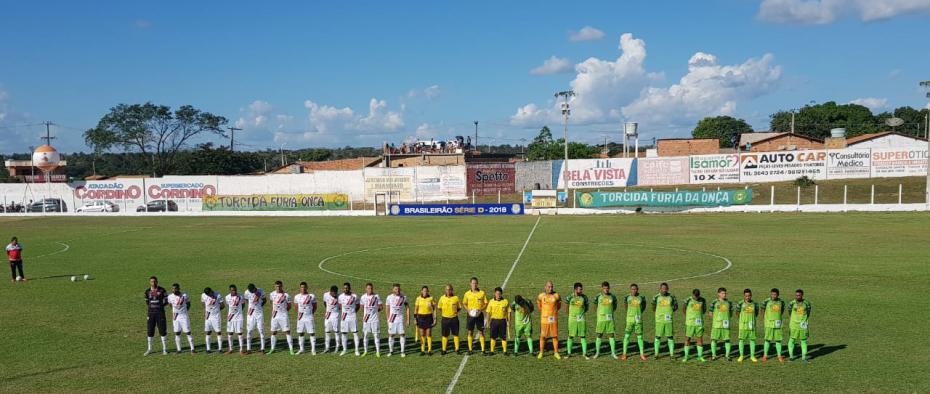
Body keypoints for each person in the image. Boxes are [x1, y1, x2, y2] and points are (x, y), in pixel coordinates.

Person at [462, 277, 488, 354]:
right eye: (473, 283)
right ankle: (470, 349)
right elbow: (464, 303)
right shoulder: (467, 294)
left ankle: (483, 350)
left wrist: (480, 310)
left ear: (477, 284)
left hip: (479, 315)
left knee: (481, 332)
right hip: (470, 316)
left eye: (476, 283)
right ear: (470, 284)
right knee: (470, 332)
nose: (474, 285)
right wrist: (468, 310)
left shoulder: (482, 293)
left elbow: (486, 303)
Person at [622, 283, 648, 361]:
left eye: (635, 289)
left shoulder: (642, 297)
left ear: (637, 289)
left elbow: (644, 306)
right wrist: (630, 313)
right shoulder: (627, 297)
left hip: (638, 320)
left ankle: (642, 354)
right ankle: (624, 354)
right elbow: (625, 306)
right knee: (627, 336)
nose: (634, 291)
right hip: (629, 320)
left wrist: (639, 312)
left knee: (639, 337)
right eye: (632, 289)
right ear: (630, 290)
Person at [166, 284, 195, 354]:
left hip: (183, 316)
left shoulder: (184, 295)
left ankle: (193, 349)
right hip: (175, 316)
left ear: (179, 289)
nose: (174, 290)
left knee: (188, 332)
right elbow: (170, 304)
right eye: (173, 289)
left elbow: (188, 304)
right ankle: (179, 350)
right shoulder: (170, 296)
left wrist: (185, 311)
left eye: (175, 289)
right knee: (177, 332)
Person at [652, 282, 678, 359]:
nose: (664, 290)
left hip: (668, 321)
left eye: (665, 289)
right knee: (657, 336)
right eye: (662, 289)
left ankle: (672, 354)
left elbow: (676, 306)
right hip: (659, 320)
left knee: (670, 336)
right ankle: (656, 354)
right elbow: (653, 307)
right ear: (660, 289)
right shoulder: (656, 297)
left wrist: (669, 311)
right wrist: (659, 314)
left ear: (667, 289)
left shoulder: (672, 297)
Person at [593, 281, 619, 359]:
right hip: (601, 319)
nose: (606, 290)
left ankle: (613, 353)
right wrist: (599, 314)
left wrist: (610, 312)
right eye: (604, 288)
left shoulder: (612, 296)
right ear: (602, 288)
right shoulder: (598, 296)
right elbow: (595, 306)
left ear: (609, 288)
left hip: (609, 319)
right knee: (599, 335)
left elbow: (615, 306)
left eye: (607, 288)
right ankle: (597, 353)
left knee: (611, 335)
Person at [144, 276, 169, 356]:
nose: (153, 283)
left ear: (157, 282)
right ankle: (150, 349)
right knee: (150, 330)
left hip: (160, 313)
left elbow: (167, 300)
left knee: (162, 330)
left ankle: (165, 349)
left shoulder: (162, 290)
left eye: (154, 281)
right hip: (151, 313)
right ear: (149, 282)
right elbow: (147, 302)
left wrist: (160, 306)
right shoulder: (147, 291)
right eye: (152, 281)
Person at [267, 280, 294, 355]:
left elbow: (289, 306)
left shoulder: (286, 295)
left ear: (282, 286)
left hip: (283, 316)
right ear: (274, 286)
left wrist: (283, 312)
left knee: (287, 332)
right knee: (273, 332)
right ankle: (272, 349)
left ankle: (291, 349)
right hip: (274, 316)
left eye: (279, 286)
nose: (278, 288)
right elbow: (271, 302)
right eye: (276, 286)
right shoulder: (272, 294)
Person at [537, 280, 562, 360]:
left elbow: (559, 305)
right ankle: (541, 352)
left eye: (552, 287)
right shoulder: (541, 296)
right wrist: (544, 312)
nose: (550, 288)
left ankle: (556, 352)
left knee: (554, 336)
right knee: (543, 336)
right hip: (544, 319)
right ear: (545, 287)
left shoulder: (556, 295)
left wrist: (554, 312)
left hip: (553, 319)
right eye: (549, 287)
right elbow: (539, 304)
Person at [681, 288, 707, 362]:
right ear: (692, 295)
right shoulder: (688, 300)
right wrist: (688, 317)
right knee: (687, 339)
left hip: (699, 323)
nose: (696, 297)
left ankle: (700, 356)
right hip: (690, 323)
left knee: (700, 339)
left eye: (697, 296)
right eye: (695, 296)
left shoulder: (702, 300)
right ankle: (686, 356)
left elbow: (704, 310)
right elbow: (683, 308)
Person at [384, 283, 409, 357]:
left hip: (400, 318)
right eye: (396, 289)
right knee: (391, 335)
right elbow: (387, 309)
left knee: (402, 334)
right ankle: (391, 351)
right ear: (393, 290)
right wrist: (387, 319)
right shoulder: (389, 297)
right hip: (392, 319)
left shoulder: (403, 297)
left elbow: (407, 308)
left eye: (398, 289)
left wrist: (408, 319)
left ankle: (402, 351)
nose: (397, 290)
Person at [565, 282, 589, 359]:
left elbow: (587, 307)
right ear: (575, 289)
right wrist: (571, 316)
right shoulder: (569, 297)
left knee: (583, 336)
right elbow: (566, 308)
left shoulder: (584, 297)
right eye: (580, 289)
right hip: (572, 319)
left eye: (582, 289)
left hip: (581, 319)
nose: (581, 290)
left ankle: (585, 354)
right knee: (570, 336)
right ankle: (569, 353)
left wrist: (581, 314)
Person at [761, 288, 786, 362]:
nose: (773, 296)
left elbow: (782, 310)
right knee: (767, 340)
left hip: (778, 324)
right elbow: (762, 309)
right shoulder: (766, 301)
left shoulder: (781, 302)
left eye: (775, 294)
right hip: (768, 324)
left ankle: (779, 356)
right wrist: (764, 319)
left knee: (778, 340)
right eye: (772, 294)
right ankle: (765, 356)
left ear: (778, 295)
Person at [708, 287, 733, 361]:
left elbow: (730, 313)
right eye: (722, 293)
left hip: (725, 325)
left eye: (725, 293)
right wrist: (716, 319)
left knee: (727, 340)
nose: (724, 295)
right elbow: (710, 313)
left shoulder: (729, 303)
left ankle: (727, 356)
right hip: (716, 325)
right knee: (714, 340)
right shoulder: (714, 302)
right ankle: (713, 355)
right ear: (718, 294)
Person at [787, 289, 812, 362]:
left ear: (802, 295)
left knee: (803, 341)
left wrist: (803, 320)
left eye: (799, 295)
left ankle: (804, 358)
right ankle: (791, 357)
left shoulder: (807, 303)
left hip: (803, 325)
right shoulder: (792, 303)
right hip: (793, 325)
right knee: (792, 340)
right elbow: (789, 312)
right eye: (796, 295)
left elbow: (808, 312)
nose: (797, 297)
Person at [293, 281, 317, 355]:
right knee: (300, 333)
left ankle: (313, 350)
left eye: (304, 287)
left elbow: (315, 306)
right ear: (300, 288)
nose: (303, 288)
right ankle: (301, 349)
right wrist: (300, 314)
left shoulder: (311, 296)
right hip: (300, 317)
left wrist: (310, 313)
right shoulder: (296, 297)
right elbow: (296, 307)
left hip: (309, 316)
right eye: (302, 287)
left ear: (307, 287)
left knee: (312, 333)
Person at [437, 284, 462, 355]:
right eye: (447, 289)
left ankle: (457, 349)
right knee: (445, 335)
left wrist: (455, 313)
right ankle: (444, 349)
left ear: (452, 290)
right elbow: (439, 307)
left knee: (455, 334)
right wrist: (444, 313)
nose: (448, 291)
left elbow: (459, 307)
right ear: (445, 290)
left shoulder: (456, 298)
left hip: (454, 319)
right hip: (445, 319)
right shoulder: (442, 298)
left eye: (449, 289)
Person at [359, 282, 383, 357]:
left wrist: (375, 311)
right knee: (365, 335)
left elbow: (381, 307)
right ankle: (365, 351)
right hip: (366, 320)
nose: (370, 290)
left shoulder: (376, 296)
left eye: (371, 288)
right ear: (366, 289)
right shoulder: (363, 297)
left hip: (375, 320)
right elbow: (361, 307)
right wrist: (367, 313)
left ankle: (378, 352)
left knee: (376, 335)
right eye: (368, 288)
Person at [736, 288, 759, 363]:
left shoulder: (755, 304)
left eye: (749, 296)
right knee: (741, 340)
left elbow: (756, 313)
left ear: (751, 296)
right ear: (744, 296)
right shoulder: (740, 303)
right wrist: (742, 319)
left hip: (751, 325)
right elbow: (737, 312)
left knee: (752, 340)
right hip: (743, 325)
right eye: (746, 296)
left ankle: (752, 356)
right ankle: (741, 355)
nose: (747, 297)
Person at [338, 282, 361, 356]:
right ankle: (344, 350)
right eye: (344, 288)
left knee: (355, 333)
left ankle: (356, 350)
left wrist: (353, 312)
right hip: (344, 317)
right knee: (344, 333)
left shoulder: (354, 296)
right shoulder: (340, 296)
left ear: (350, 288)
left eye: (347, 288)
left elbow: (358, 305)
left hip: (352, 317)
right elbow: (340, 306)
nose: (345, 289)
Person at [485, 287, 510, 355]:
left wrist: (509, 321)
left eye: (499, 294)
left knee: (503, 337)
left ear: (501, 294)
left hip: (502, 321)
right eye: (497, 293)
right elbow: (488, 312)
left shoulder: (505, 301)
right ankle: (492, 351)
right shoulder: (491, 301)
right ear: (495, 294)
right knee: (493, 337)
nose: (498, 295)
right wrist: (488, 322)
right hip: (494, 321)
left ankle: (505, 351)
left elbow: (509, 312)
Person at [244, 283, 267, 353]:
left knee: (261, 330)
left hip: (259, 314)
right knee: (249, 331)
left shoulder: (261, 291)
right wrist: (252, 307)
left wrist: (259, 307)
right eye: (250, 291)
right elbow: (246, 300)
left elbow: (264, 300)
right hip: (250, 314)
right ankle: (248, 349)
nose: (251, 292)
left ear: (255, 288)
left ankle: (262, 348)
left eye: (252, 290)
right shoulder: (246, 292)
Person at [414, 286, 437, 355]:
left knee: (428, 334)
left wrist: (435, 318)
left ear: (428, 292)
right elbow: (416, 309)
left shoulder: (431, 298)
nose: (425, 292)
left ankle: (429, 350)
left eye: (426, 291)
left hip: (428, 317)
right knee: (422, 334)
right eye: (424, 291)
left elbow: (434, 308)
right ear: (421, 291)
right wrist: (415, 319)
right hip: (420, 317)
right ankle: (422, 350)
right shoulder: (418, 299)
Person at [201, 287, 225, 353]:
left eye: (211, 293)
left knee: (218, 332)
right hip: (208, 316)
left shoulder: (218, 295)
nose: (211, 294)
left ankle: (220, 349)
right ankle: (208, 349)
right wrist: (206, 310)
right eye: (209, 294)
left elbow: (223, 305)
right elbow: (203, 303)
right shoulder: (203, 295)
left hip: (216, 316)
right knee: (208, 332)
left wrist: (216, 311)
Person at [225, 284, 246, 354]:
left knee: (240, 333)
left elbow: (243, 304)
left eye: (235, 290)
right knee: (230, 333)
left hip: (239, 317)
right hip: (230, 317)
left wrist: (238, 312)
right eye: (232, 290)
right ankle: (231, 349)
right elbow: (229, 306)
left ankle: (241, 350)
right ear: (230, 290)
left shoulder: (241, 296)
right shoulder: (227, 297)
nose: (234, 291)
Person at [322, 285, 342, 354]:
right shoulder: (325, 295)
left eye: (335, 293)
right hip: (328, 315)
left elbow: (341, 306)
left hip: (336, 315)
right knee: (327, 331)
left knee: (336, 331)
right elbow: (324, 303)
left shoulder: (340, 296)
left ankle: (337, 347)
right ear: (330, 292)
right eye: (333, 293)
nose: (334, 295)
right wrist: (328, 310)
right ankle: (327, 348)